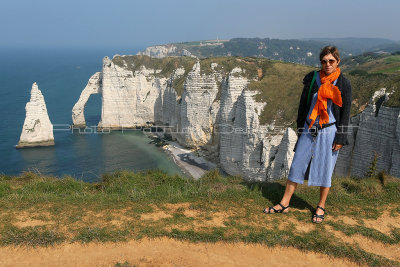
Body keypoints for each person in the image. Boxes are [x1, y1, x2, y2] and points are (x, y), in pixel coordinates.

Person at [264, 46, 352, 223]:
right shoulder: (312, 79)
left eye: (331, 61)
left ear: (338, 62)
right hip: (308, 128)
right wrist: (300, 130)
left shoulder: (343, 83)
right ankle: (284, 203)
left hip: (329, 131)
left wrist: (341, 137)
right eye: (324, 61)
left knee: (325, 169)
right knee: (297, 165)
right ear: (321, 62)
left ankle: (321, 206)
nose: (327, 64)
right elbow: (303, 106)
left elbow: (345, 112)